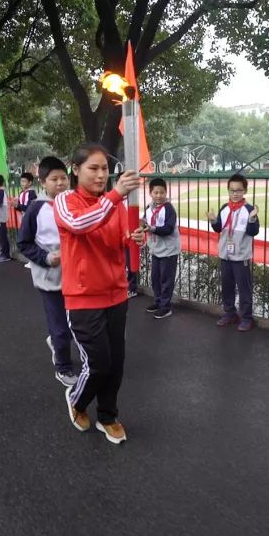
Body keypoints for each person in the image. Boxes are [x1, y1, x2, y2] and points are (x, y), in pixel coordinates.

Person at [54, 142, 146, 445]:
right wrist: (116, 194)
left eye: (105, 168)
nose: (100, 174)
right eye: (93, 168)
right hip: (83, 298)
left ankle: (108, 415)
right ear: (76, 169)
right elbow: (81, 224)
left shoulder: (114, 203)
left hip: (116, 294)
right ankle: (78, 400)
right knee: (98, 363)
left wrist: (131, 237)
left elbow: (114, 238)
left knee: (116, 363)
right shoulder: (66, 200)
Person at [17, 156, 77, 387]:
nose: (61, 183)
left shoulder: (74, 202)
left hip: (76, 275)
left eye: (64, 178)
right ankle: (62, 366)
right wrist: (44, 258)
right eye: (54, 179)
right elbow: (23, 243)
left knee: (77, 324)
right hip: (50, 277)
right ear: (43, 182)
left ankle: (57, 340)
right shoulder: (37, 208)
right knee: (60, 327)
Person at [208, 173, 260, 332]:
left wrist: (252, 219)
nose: (235, 194)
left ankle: (246, 318)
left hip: (241, 256)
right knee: (227, 286)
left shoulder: (249, 209)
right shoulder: (225, 208)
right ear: (228, 191)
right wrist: (214, 221)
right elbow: (219, 229)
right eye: (232, 190)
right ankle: (230, 313)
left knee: (244, 288)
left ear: (245, 191)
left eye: (239, 190)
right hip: (225, 254)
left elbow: (253, 232)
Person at [141, 178, 180, 319]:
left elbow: (168, 229)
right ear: (150, 193)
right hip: (156, 249)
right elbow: (145, 222)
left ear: (166, 193)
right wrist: (142, 225)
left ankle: (166, 306)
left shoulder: (169, 209)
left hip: (168, 251)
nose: (159, 195)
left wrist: (151, 228)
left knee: (166, 279)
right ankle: (158, 302)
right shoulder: (149, 208)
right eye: (155, 192)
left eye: (161, 192)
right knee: (155, 278)